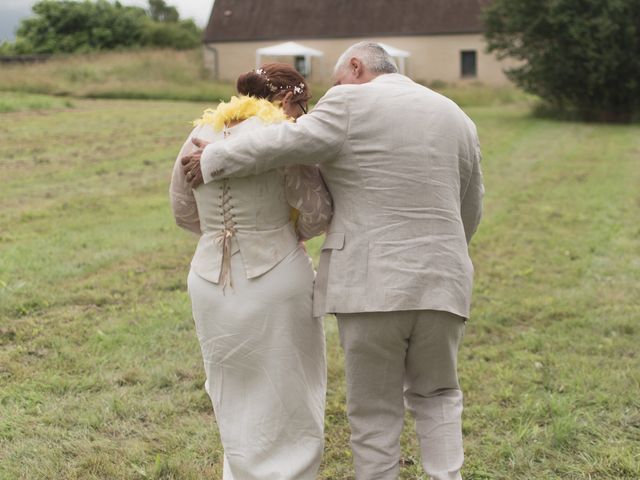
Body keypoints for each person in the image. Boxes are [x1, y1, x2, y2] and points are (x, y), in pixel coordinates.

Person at [182, 42, 484, 480]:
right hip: (444, 280)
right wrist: (447, 256)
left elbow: (284, 140)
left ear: (356, 67)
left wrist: (213, 158)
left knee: (374, 413)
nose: (325, 99)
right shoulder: (457, 115)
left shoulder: (349, 101)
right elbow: (471, 209)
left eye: (337, 81)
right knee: (438, 394)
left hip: (369, 285)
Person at [170, 63, 332, 480]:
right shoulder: (282, 139)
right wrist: (284, 230)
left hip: (208, 281)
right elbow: (318, 213)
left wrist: (219, 235)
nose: (302, 114)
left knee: (231, 387)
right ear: (287, 98)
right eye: (302, 104)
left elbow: (183, 211)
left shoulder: (200, 133)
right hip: (275, 274)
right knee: (289, 384)